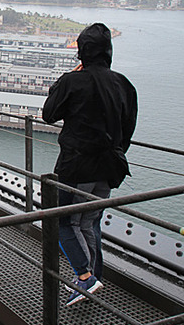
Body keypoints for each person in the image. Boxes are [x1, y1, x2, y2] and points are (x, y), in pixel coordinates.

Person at [42, 23, 138, 306]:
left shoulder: (74, 82)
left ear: (82, 51)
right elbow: (128, 128)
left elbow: (49, 113)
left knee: (62, 221)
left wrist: (65, 79)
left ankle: (85, 278)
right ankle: (92, 278)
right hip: (110, 167)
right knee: (89, 221)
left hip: (76, 166)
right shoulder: (124, 84)